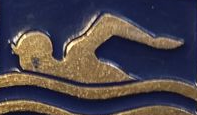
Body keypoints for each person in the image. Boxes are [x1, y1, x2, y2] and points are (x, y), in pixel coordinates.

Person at [10, 13, 181, 83]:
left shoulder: (75, 53)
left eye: (22, 58)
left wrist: (152, 41)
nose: (21, 64)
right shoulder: (48, 83)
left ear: (36, 59)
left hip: (129, 88)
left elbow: (108, 23)